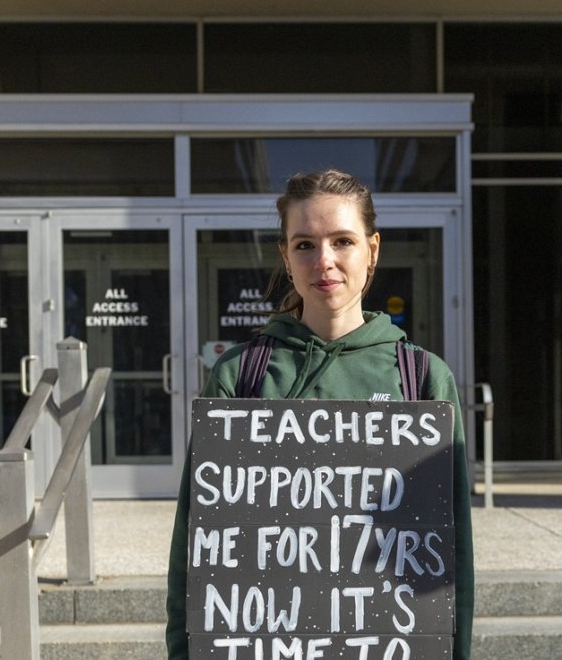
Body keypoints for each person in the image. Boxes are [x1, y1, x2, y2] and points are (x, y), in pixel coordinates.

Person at [165, 169, 474, 659]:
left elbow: (452, 551)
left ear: (372, 249)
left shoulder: (421, 378)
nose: (324, 260)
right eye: (305, 244)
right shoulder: (241, 375)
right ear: (285, 257)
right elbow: (196, 540)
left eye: (342, 241)